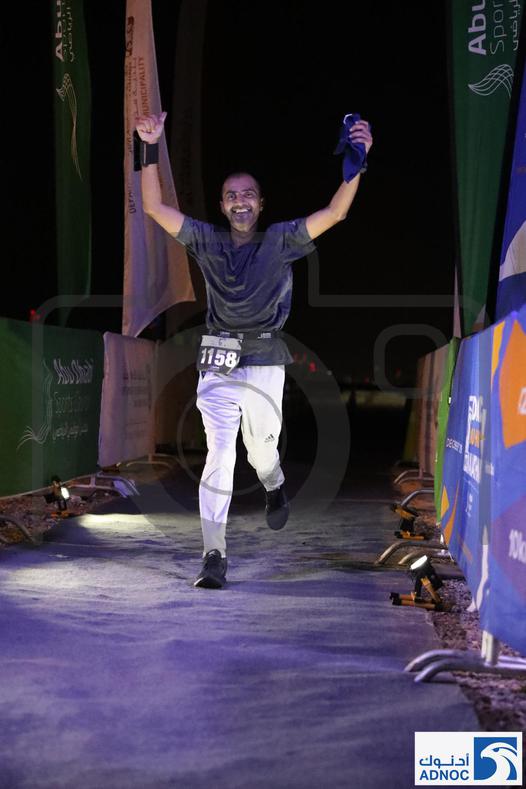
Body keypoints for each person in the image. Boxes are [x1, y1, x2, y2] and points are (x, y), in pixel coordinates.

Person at [135, 111, 373, 589]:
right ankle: (214, 554)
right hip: (218, 362)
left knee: (260, 451)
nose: (239, 200)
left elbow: (335, 213)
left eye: (248, 194)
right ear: (222, 207)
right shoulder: (206, 240)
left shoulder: (282, 239)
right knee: (220, 454)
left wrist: (358, 162)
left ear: (260, 204)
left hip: (264, 360)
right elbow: (155, 207)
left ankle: (273, 483)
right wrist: (150, 146)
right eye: (231, 195)